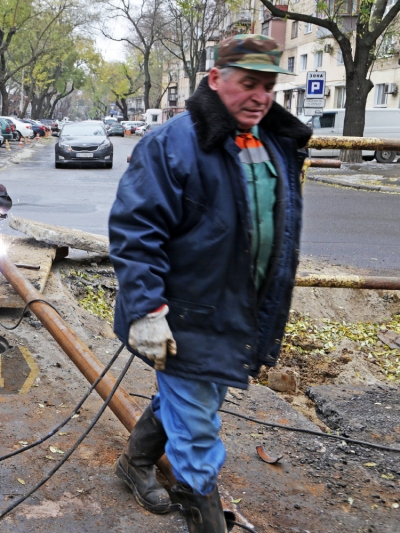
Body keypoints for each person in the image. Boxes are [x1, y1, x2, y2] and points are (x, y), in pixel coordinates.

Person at [108, 34, 311, 533]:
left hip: (235, 314)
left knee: (190, 401)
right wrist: (147, 311)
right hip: (183, 316)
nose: (260, 96)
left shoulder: (272, 144)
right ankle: (200, 504)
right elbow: (135, 233)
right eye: (249, 83)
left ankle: (134, 464)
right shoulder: (171, 143)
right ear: (216, 79)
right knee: (197, 429)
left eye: (268, 86)